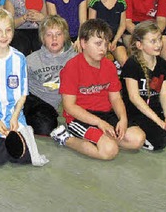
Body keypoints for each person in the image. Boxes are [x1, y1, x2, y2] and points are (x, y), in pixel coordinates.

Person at [51, 19, 145, 160]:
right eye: (98, 44)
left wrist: (123, 119)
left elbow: (115, 98)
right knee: (109, 151)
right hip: (79, 117)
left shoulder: (109, 66)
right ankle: (65, 137)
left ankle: (101, 138)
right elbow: (69, 106)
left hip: (105, 114)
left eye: (106, 44)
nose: (103, 49)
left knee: (138, 139)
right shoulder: (72, 68)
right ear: (83, 43)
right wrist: (99, 123)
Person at [0, 8, 48, 167]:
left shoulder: (19, 59)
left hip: (14, 116)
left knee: (22, 159)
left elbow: (22, 94)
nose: (4, 35)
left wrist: (14, 117)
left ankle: (14, 135)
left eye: (8, 30)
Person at [121, 21, 166, 151]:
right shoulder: (132, 65)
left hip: (155, 110)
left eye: (159, 39)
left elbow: (163, 93)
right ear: (139, 45)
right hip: (136, 113)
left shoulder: (162, 64)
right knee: (159, 142)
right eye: (153, 41)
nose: (158, 44)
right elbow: (134, 98)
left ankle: (158, 127)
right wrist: (159, 122)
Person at [24, 15, 76, 136]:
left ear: (65, 37)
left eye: (58, 34)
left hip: (65, 103)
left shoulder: (75, 58)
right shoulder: (31, 60)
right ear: (42, 38)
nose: (54, 38)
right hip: (37, 102)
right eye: (49, 35)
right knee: (45, 127)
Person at [88, 0, 128, 66]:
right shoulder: (94, 3)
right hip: (98, 39)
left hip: (115, 39)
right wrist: (104, 42)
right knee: (100, 61)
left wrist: (114, 41)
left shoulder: (121, 3)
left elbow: (123, 25)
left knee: (125, 62)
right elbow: (91, 26)